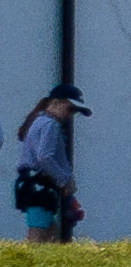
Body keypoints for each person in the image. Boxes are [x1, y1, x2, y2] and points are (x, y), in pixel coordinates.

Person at [14, 86, 86, 243]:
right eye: (69, 109)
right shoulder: (50, 124)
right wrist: (64, 180)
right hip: (40, 186)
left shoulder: (39, 121)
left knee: (50, 230)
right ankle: (33, 254)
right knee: (39, 229)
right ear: (55, 103)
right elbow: (45, 156)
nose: (70, 115)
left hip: (32, 183)